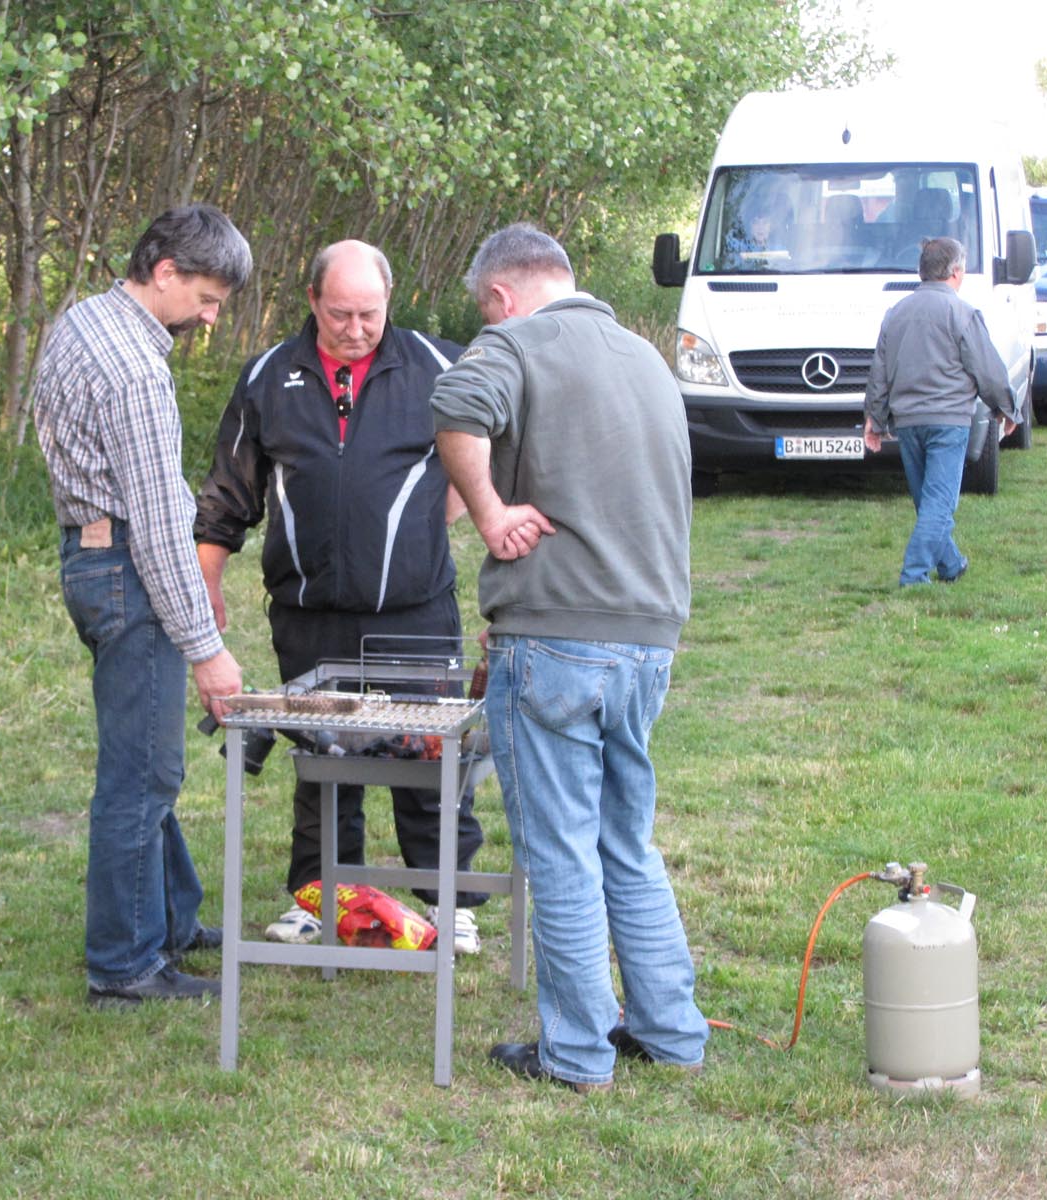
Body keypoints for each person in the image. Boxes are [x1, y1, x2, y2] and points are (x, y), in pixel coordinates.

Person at [431, 223, 709, 1091]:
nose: (487, 319)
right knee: (626, 844)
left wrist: (487, 513)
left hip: (556, 640)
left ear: (503, 295)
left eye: (486, 307)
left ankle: (578, 1054)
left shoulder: (514, 341)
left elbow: (455, 408)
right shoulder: (645, 357)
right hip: (648, 639)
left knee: (559, 852)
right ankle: (671, 1032)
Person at [193, 239, 489, 956]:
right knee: (321, 756)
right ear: (311, 301)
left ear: (391, 300)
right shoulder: (267, 376)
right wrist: (208, 587)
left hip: (415, 610)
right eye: (340, 314)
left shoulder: (441, 365)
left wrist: (439, 513)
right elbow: (229, 494)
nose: (356, 328)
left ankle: (447, 897)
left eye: (370, 313)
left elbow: (488, 453)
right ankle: (318, 894)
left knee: (428, 756)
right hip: (309, 612)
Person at [31, 204, 252, 1008]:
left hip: (88, 557)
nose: (210, 317)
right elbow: (161, 525)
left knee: (140, 756)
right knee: (143, 774)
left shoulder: (85, 320)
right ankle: (124, 965)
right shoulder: (134, 369)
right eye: (207, 298)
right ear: (166, 272)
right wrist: (206, 647)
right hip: (126, 565)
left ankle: (170, 916)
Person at [863, 236, 1018, 586]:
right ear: (956, 272)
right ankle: (914, 576)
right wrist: (1006, 408)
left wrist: (874, 418)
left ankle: (951, 565)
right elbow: (988, 370)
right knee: (939, 504)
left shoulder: (896, 313)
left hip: (908, 422)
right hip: (949, 421)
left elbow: (880, 372)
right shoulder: (962, 313)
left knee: (927, 501)